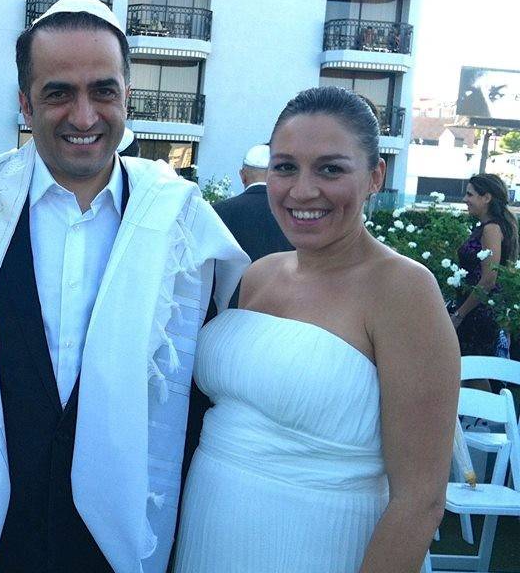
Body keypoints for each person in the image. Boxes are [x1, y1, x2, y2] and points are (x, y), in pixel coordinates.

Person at [0, 0, 248, 572]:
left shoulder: (182, 223)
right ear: (24, 104)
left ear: (126, 97)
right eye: (58, 92)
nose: (83, 116)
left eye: (103, 91)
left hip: (121, 539)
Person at [173, 87, 459, 572]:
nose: (302, 190)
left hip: (320, 547)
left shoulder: (404, 291)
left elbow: (421, 500)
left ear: (374, 177)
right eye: (285, 167)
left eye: (330, 168)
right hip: (207, 538)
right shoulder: (259, 274)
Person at [213, 143, 293, 307]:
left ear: (242, 176)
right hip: (283, 310)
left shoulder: (217, 212)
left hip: (228, 313)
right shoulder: (295, 215)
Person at [450, 173, 518, 358]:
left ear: (486, 197)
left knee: (475, 372)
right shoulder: (489, 226)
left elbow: (489, 280)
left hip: (478, 314)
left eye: (470, 195)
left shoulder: (491, 229)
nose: (465, 199)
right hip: (475, 310)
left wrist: (459, 315)